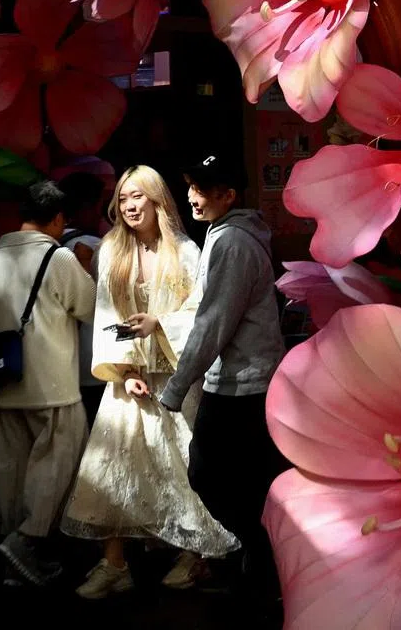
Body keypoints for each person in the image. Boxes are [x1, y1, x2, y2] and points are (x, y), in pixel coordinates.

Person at [61, 165, 238, 600]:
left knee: (178, 465)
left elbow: (201, 313)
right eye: (122, 198)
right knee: (113, 465)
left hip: (176, 377)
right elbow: (107, 315)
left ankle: (193, 554)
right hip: (129, 380)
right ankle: (114, 564)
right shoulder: (112, 251)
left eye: (137, 196)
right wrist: (124, 371)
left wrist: (160, 325)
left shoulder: (187, 251)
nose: (129, 206)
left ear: (157, 199)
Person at [158, 154, 288, 614]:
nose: (192, 196)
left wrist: (176, 388)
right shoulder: (229, 234)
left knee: (209, 473)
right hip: (245, 381)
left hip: (243, 385)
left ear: (228, 196)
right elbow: (208, 315)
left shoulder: (232, 241)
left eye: (202, 188)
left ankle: (267, 561)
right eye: (191, 185)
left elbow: (214, 323)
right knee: (245, 481)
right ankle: (267, 565)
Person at [0, 180, 96, 587]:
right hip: (51, 382)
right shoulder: (58, 257)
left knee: (15, 472)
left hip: (2, 383)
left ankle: (18, 564)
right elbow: (89, 306)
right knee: (60, 462)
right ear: (57, 219)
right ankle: (28, 540)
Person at [57, 172, 107, 426]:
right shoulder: (101, 248)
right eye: (99, 207)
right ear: (87, 207)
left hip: (58, 367)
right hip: (93, 363)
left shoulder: (47, 249)